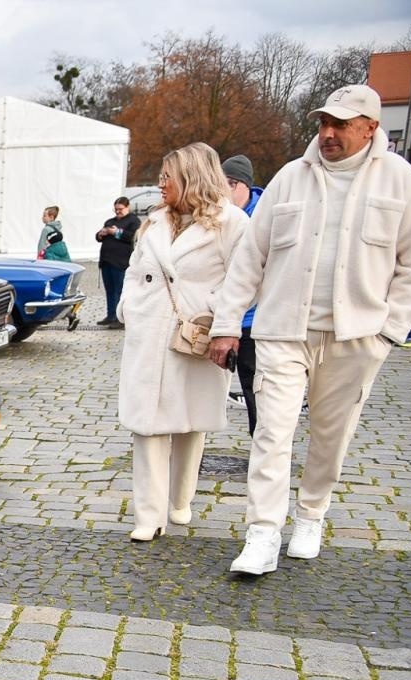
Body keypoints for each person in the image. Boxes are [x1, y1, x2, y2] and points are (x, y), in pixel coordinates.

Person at [208, 84, 411, 575]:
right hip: (284, 330)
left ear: (371, 128)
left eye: (341, 125)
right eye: (324, 123)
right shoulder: (290, 179)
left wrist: (389, 332)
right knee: (272, 431)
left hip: (356, 336)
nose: (328, 133)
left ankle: (311, 514)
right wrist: (227, 325)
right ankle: (262, 532)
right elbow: (249, 259)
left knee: (331, 435)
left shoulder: (401, 182)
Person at [118, 142, 248, 542]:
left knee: (190, 424)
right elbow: (135, 269)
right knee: (148, 425)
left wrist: (214, 312)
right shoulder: (154, 221)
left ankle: (180, 500)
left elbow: (244, 280)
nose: (160, 184)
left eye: (166, 176)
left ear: (190, 177)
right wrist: (130, 307)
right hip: (148, 332)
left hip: (194, 335)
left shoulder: (231, 222)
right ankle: (149, 514)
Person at [221, 154, 264, 433]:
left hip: (255, 322)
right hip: (221, 318)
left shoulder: (264, 217)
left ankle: (260, 446)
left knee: (255, 390)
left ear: (238, 185)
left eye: (223, 185)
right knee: (208, 389)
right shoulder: (220, 217)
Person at [95, 197, 138, 328]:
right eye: (116, 209)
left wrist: (116, 232)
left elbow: (132, 237)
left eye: (120, 209)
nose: (118, 212)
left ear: (127, 207)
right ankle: (111, 315)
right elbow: (98, 237)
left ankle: (120, 319)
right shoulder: (110, 221)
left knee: (120, 291)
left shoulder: (133, 221)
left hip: (121, 262)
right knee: (109, 290)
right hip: (107, 261)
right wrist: (101, 234)